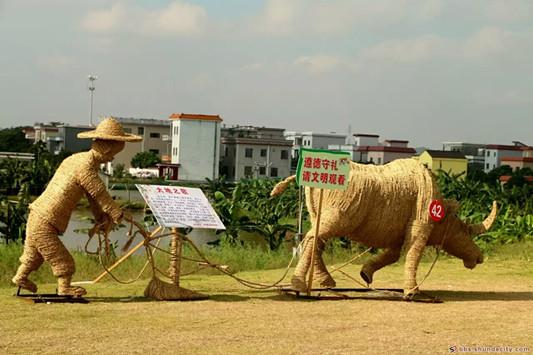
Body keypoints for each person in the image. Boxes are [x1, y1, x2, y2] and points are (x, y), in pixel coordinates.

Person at [12, 118, 142, 296]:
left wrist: (99, 217)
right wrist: (115, 212)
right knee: (64, 261)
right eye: (112, 154)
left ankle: (21, 277)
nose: (111, 158)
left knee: (34, 255)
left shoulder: (74, 159)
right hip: (45, 220)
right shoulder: (86, 167)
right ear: (106, 149)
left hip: (37, 214)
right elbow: (98, 192)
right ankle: (64, 288)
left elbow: (90, 195)